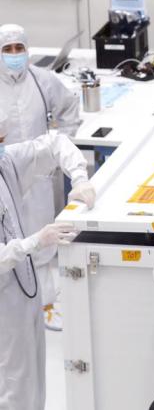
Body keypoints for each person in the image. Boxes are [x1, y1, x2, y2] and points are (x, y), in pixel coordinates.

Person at [0, 108, 95, 409]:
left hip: (21, 292)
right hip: (3, 305)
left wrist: (79, 178)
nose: (3, 145)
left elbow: (55, 143)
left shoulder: (6, 162)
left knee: (32, 376)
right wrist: (34, 242)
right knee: (12, 385)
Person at [0, 23, 82, 330]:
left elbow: (70, 105)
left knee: (42, 234)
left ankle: (46, 301)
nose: (14, 55)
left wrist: (63, 145)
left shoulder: (42, 80)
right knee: (10, 239)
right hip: (3, 177)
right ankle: (17, 299)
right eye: (7, 50)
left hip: (37, 174)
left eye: (19, 48)